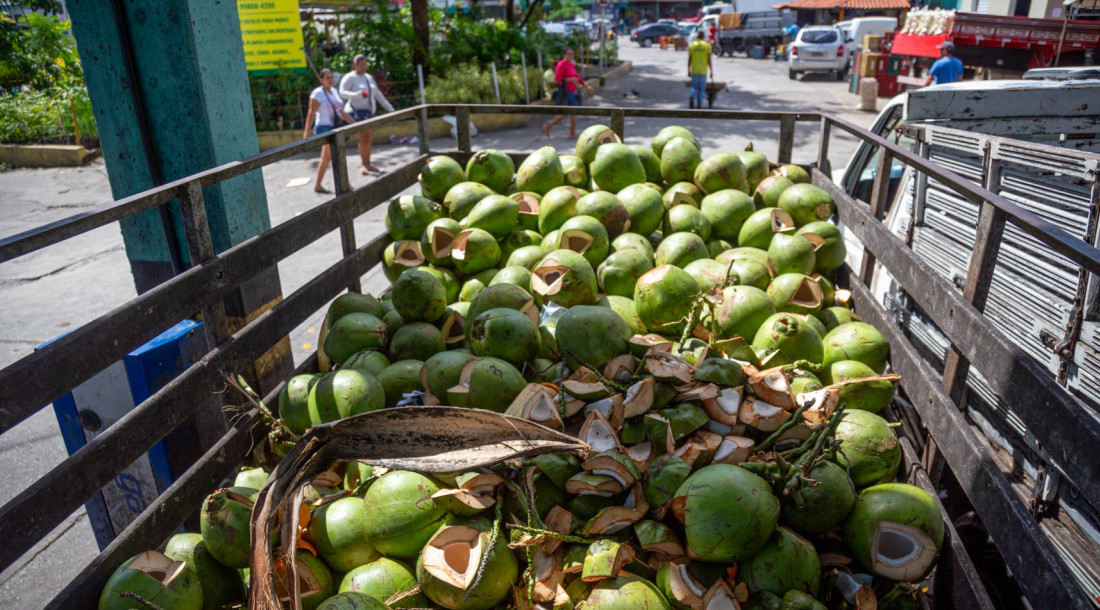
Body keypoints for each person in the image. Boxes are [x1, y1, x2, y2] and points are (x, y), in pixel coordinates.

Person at [339, 54, 394, 175]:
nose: (364, 67)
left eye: (365, 64)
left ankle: (368, 164)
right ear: (355, 65)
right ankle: (364, 165)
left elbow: (377, 94)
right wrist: (357, 94)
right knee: (365, 138)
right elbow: (342, 93)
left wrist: (390, 108)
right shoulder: (350, 77)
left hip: (370, 113)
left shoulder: (368, 77)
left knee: (368, 139)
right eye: (361, 65)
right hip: (358, 113)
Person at [303, 68, 354, 194]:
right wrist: (307, 131)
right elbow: (311, 113)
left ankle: (321, 185)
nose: (331, 80)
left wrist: (354, 124)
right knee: (330, 157)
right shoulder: (317, 93)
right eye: (327, 78)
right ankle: (341, 184)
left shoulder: (334, 91)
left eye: (332, 77)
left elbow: (341, 112)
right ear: (321, 80)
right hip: (324, 129)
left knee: (331, 157)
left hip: (335, 128)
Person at [542, 48, 595, 139]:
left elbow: (577, 76)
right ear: (564, 55)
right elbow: (558, 79)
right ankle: (571, 133)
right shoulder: (561, 64)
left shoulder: (571, 64)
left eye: (572, 54)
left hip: (573, 92)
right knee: (573, 112)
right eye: (569, 54)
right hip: (567, 92)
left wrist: (586, 85)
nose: (571, 56)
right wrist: (569, 79)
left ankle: (548, 126)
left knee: (566, 113)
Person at [688, 30, 713, 109]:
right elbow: (709, 59)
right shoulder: (707, 45)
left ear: (697, 37)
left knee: (694, 86)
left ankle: (692, 96)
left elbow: (690, 59)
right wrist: (711, 71)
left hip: (694, 70)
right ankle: (699, 105)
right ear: (703, 37)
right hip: (703, 71)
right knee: (702, 89)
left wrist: (688, 70)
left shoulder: (692, 45)